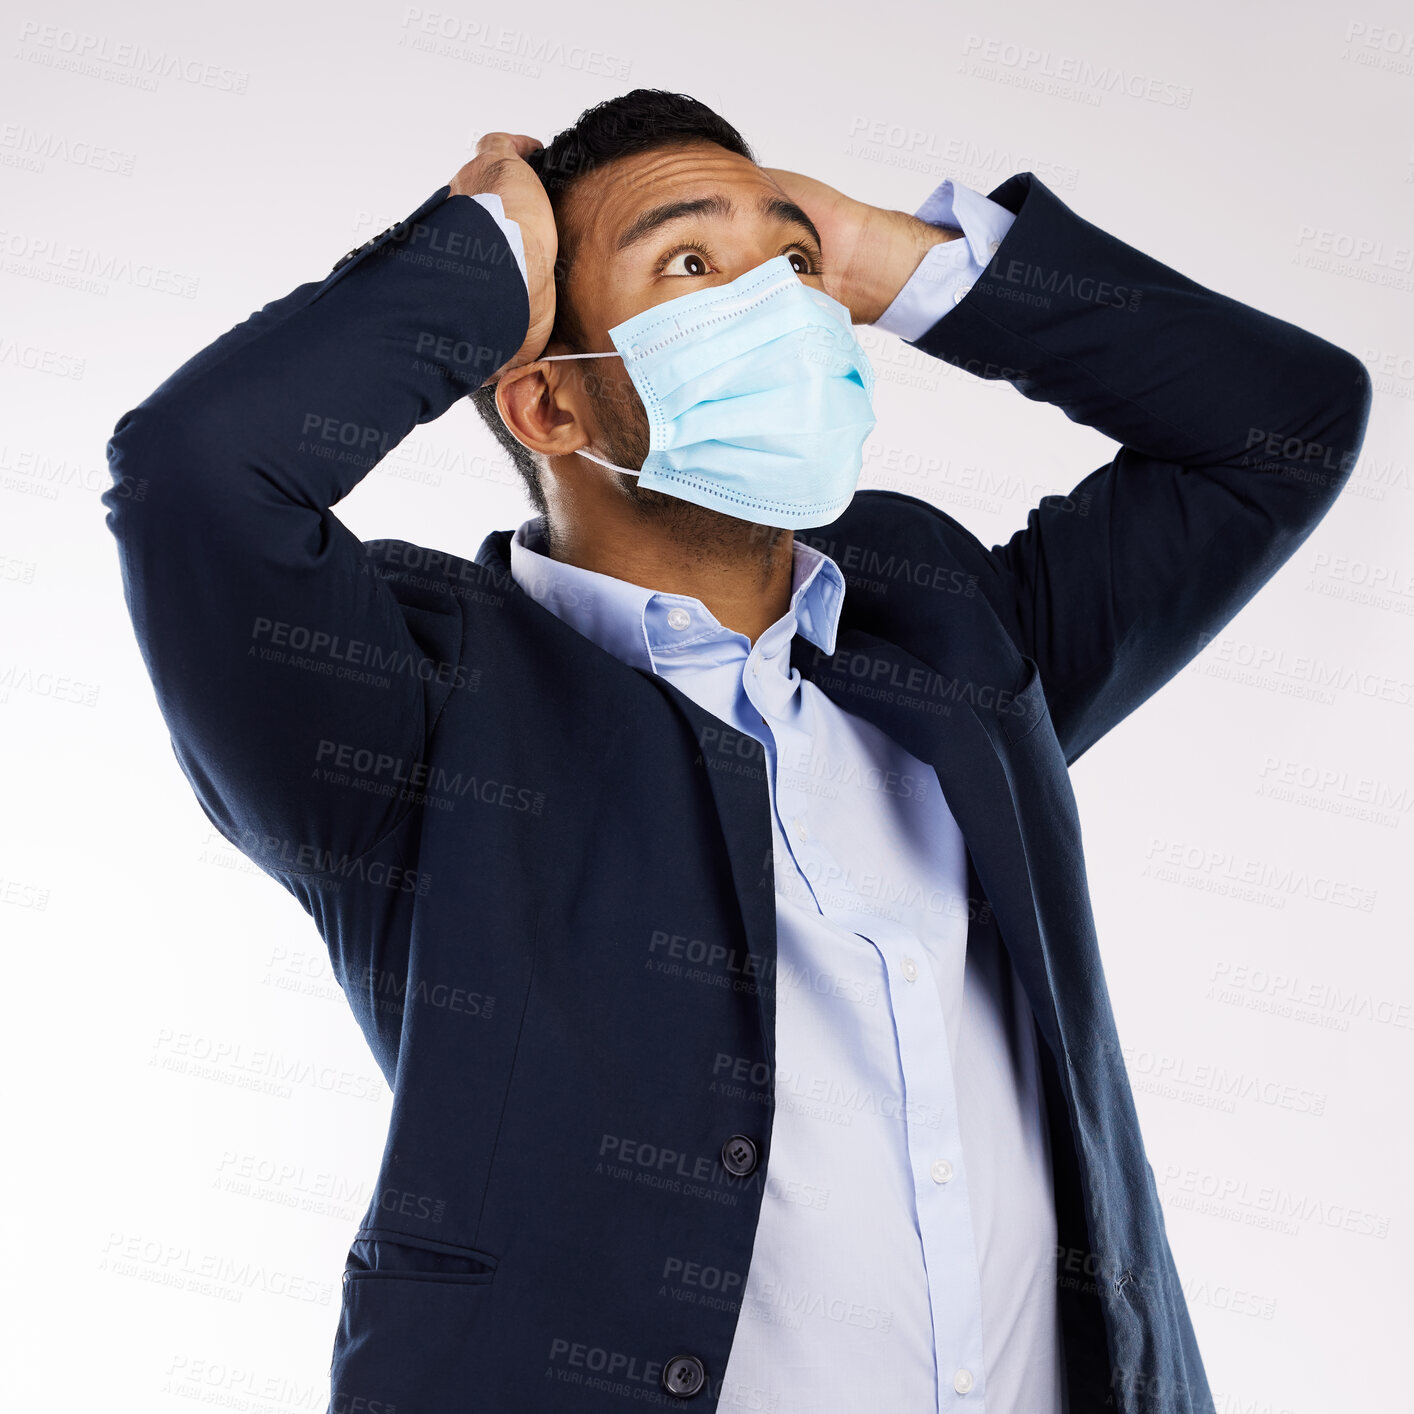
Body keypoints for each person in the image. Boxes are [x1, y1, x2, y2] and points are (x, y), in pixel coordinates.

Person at [102, 89, 1370, 1414]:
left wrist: (899, 262)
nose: (775, 304)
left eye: (793, 266)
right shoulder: (409, 714)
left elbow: (1277, 430)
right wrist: (480, 250)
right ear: (550, 406)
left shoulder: (954, 640)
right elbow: (197, 475)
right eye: (693, 265)